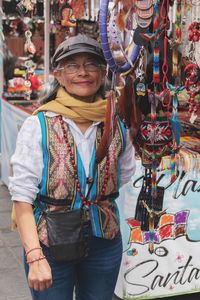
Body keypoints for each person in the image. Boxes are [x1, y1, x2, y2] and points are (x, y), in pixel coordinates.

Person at [9, 34, 136, 300]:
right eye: (72, 65)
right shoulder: (39, 125)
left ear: (103, 73)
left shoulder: (115, 123)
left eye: (91, 64)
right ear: (58, 74)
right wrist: (34, 256)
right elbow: (22, 197)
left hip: (104, 238)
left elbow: (123, 174)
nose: (82, 73)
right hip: (51, 241)